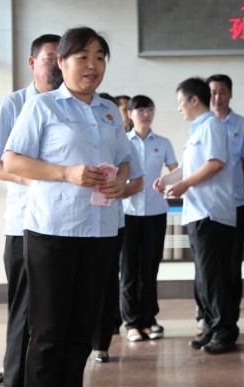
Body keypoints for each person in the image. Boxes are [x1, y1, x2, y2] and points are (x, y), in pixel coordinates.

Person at [3, 27, 134, 386]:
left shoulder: (109, 110)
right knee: (48, 332)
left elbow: (125, 160)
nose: (92, 65)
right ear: (61, 61)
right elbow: (12, 160)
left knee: (80, 331)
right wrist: (65, 172)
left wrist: (121, 179)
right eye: (83, 57)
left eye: (99, 57)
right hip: (52, 232)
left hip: (100, 231)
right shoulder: (42, 105)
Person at [0, 33, 61, 386]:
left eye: (61, 58)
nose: (56, 64)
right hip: (24, 224)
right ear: (32, 62)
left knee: (55, 314)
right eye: (49, 57)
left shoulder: (74, 105)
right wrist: (28, 179)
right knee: (24, 312)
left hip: (65, 226)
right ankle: (15, 377)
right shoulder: (11, 105)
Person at [153, 77, 238, 355]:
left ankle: (224, 331)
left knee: (214, 276)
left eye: (181, 102)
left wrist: (184, 185)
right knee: (203, 277)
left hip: (211, 213)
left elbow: (215, 163)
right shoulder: (197, 129)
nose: (179, 108)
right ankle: (212, 328)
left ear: (193, 100)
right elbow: (190, 167)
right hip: (197, 212)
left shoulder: (212, 126)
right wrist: (168, 179)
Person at [89, 93, 144, 363]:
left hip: (111, 222)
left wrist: (118, 189)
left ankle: (101, 343)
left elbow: (137, 180)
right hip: (75, 223)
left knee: (108, 280)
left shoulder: (122, 143)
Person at [120, 95, 178, 343]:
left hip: (156, 212)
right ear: (130, 114)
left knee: (150, 268)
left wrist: (169, 182)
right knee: (129, 269)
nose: (146, 114)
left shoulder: (163, 143)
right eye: (140, 110)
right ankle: (132, 322)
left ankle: (149, 318)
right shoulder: (122, 141)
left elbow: (176, 170)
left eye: (150, 110)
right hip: (127, 213)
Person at [205, 74, 244, 339]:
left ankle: (229, 321)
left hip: (235, 204)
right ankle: (208, 319)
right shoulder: (202, 125)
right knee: (208, 267)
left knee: (231, 264)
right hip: (208, 206)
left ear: (230, 94)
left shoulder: (242, 125)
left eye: (222, 91)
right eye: (212, 92)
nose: (217, 97)